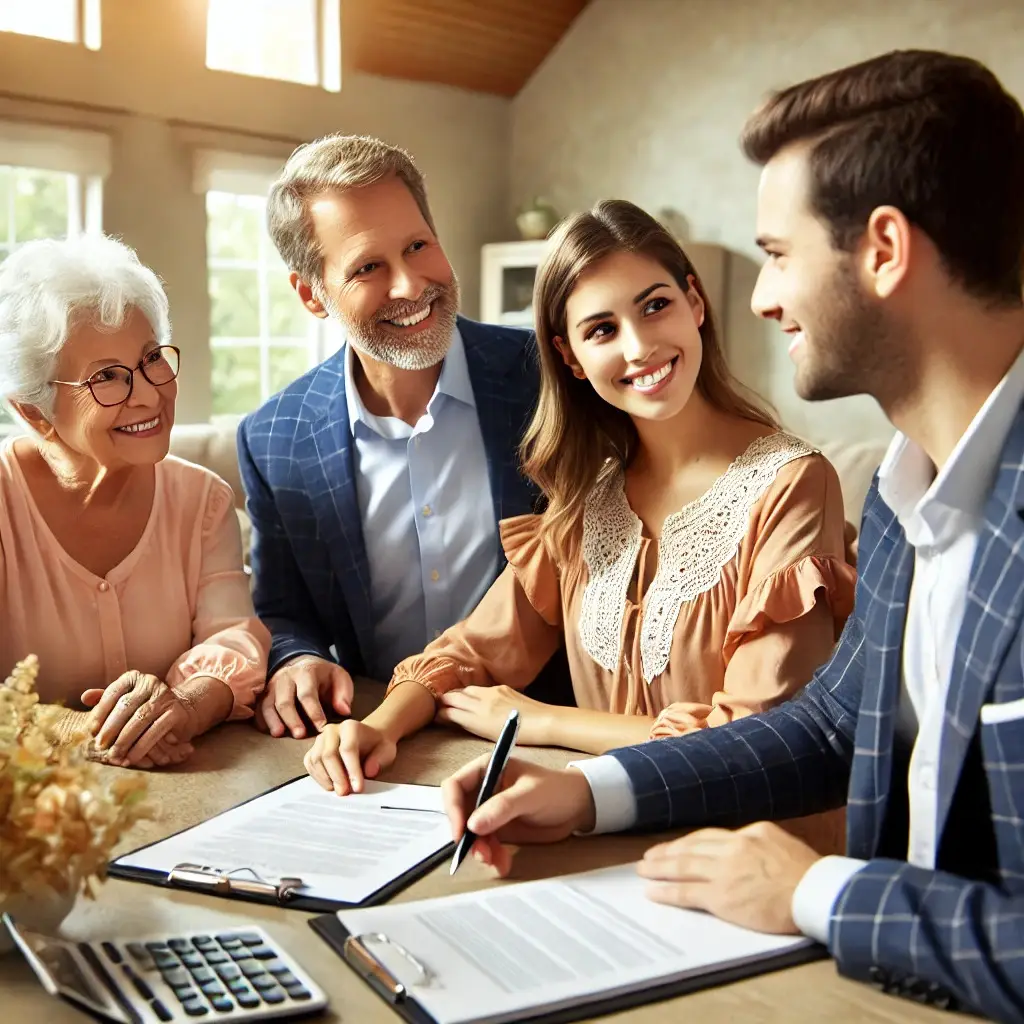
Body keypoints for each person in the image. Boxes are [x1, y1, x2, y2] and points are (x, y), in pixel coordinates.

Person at [440, 50, 1024, 1021]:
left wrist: (810, 890)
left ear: (882, 250)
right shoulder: (898, 495)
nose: (756, 298)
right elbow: (830, 726)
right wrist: (589, 792)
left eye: (777, 254)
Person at [304, 198, 855, 844]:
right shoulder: (588, 501)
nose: (640, 345)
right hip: (609, 839)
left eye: (655, 306)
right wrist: (380, 726)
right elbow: (469, 652)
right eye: (601, 329)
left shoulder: (792, 484)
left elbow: (753, 732)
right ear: (570, 358)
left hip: (753, 851)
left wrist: (545, 723)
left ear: (695, 304)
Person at [238, 134, 544, 740]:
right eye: (368, 267)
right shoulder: (273, 437)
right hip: (371, 734)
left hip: (540, 726)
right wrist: (297, 658)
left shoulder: (547, 378)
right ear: (311, 294)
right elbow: (281, 609)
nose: (410, 285)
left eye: (417, 246)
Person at [0, 235, 271, 769]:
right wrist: (86, 730)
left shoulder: (202, 502)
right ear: (34, 412)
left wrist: (184, 709)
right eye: (106, 377)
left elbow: (233, 640)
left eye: (151, 359)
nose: (149, 394)